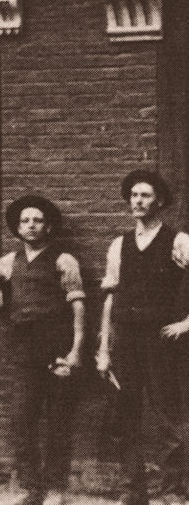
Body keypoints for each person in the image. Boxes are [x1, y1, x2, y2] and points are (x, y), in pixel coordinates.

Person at [0, 195, 85, 505]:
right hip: (23, 349)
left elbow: (78, 307)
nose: (31, 225)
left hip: (57, 346)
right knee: (22, 419)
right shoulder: (10, 261)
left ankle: (56, 489)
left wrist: (76, 350)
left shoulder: (64, 260)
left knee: (57, 421)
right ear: (18, 227)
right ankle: (30, 487)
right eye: (25, 221)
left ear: (47, 226)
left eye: (37, 220)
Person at [96, 170, 189, 505]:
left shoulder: (178, 241)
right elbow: (111, 297)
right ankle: (133, 491)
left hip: (160, 341)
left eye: (145, 195)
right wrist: (103, 348)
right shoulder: (119, 244)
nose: (138, 200)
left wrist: (186, 323)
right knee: (124, 414)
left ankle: (172, 491)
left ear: (159, 201)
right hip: (125, 341)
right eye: (134, 195)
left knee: (167, 416)